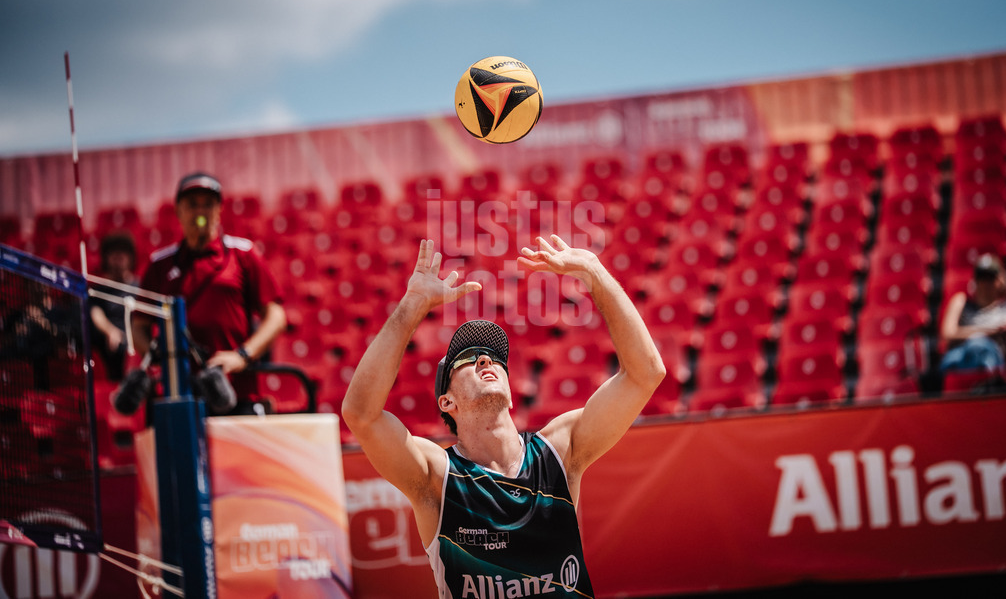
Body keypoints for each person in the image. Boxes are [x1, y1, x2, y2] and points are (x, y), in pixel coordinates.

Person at [342, 235, 666, 597]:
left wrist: (595, 273)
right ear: (447, 403)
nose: (486, 360)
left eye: (495, 358)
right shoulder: (437, 476)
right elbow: (361, 415)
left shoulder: (558, 451)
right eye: (468, 359)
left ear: (512, 395)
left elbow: (646, 374)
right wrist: (413, 305)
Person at [132, 172, 287, 415]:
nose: (200, 212)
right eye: (192, 204)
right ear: (178, 210)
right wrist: (161, 360)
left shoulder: (243, 253)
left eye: (208, 204)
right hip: (180, 395)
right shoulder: (159, 264)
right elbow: (138, 324)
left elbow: (276, 316)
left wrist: (242, 356)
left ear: (219, 209)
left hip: (237, 391)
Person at [935, 253, 1006, 388]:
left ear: (1001, 280)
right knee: (973, 348)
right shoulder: (961, 302)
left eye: (991, 277)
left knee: (984, 351)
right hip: (960, 356)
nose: (986, 283)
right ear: (975, 281)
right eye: (982, 277)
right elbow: (947, 333)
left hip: (991, 360)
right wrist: (989, 332)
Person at [89, 231, 138, 380]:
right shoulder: (99, 290)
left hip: (136, 340)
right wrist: (110, 331)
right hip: (112, 345)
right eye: (113, 254)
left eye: (122, 253)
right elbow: (95, 312)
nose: (118, 258)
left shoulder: (140, 287)